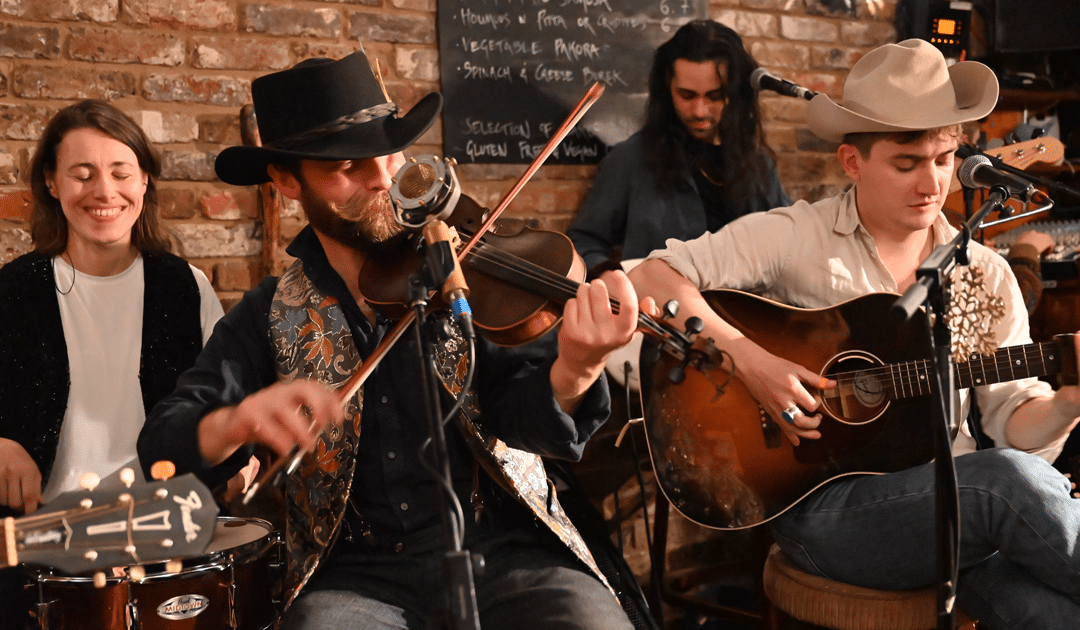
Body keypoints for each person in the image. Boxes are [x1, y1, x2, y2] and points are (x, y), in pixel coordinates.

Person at [137, 51, 642, 630]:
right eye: (348, 166)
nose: (383, 178)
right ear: (285, 181)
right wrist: (236, 421)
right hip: (357, 575)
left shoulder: (463, 268)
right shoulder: (268, 311)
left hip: (510, 552)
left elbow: (522, 416)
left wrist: (575, 369)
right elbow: (162, 445)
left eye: (390, 152)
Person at [628, 39, 1080, 628]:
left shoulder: (985, 275)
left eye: (944, 159)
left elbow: (1013, 420)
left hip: (957, 514)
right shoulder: (800, 237)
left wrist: (1070, 399)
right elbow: (651, 275)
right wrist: (751, 360)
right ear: (852, 162)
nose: (932, 183)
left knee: (1049, 610)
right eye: (906, 162)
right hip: (828, 509)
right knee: (1009, 483)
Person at [0, 99, 224, 622]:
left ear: (144, 182)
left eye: (121, 172)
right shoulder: (12, 290)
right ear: (52, 185)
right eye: (82, 175)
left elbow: (222, 399)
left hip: (164, 535)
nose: (105, 191)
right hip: (40, 543)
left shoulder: (186, 286)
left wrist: (241, 448)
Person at [567, 19, 790, 277]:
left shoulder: (757, 163)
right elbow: (582, 241)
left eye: (715, 97)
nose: (699, 111)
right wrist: (610, 275)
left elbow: (787, 235)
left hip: (746, 309)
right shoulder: (631, 158)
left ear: (736, 92)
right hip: (663, 309)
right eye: (686, 95)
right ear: (667, 89)